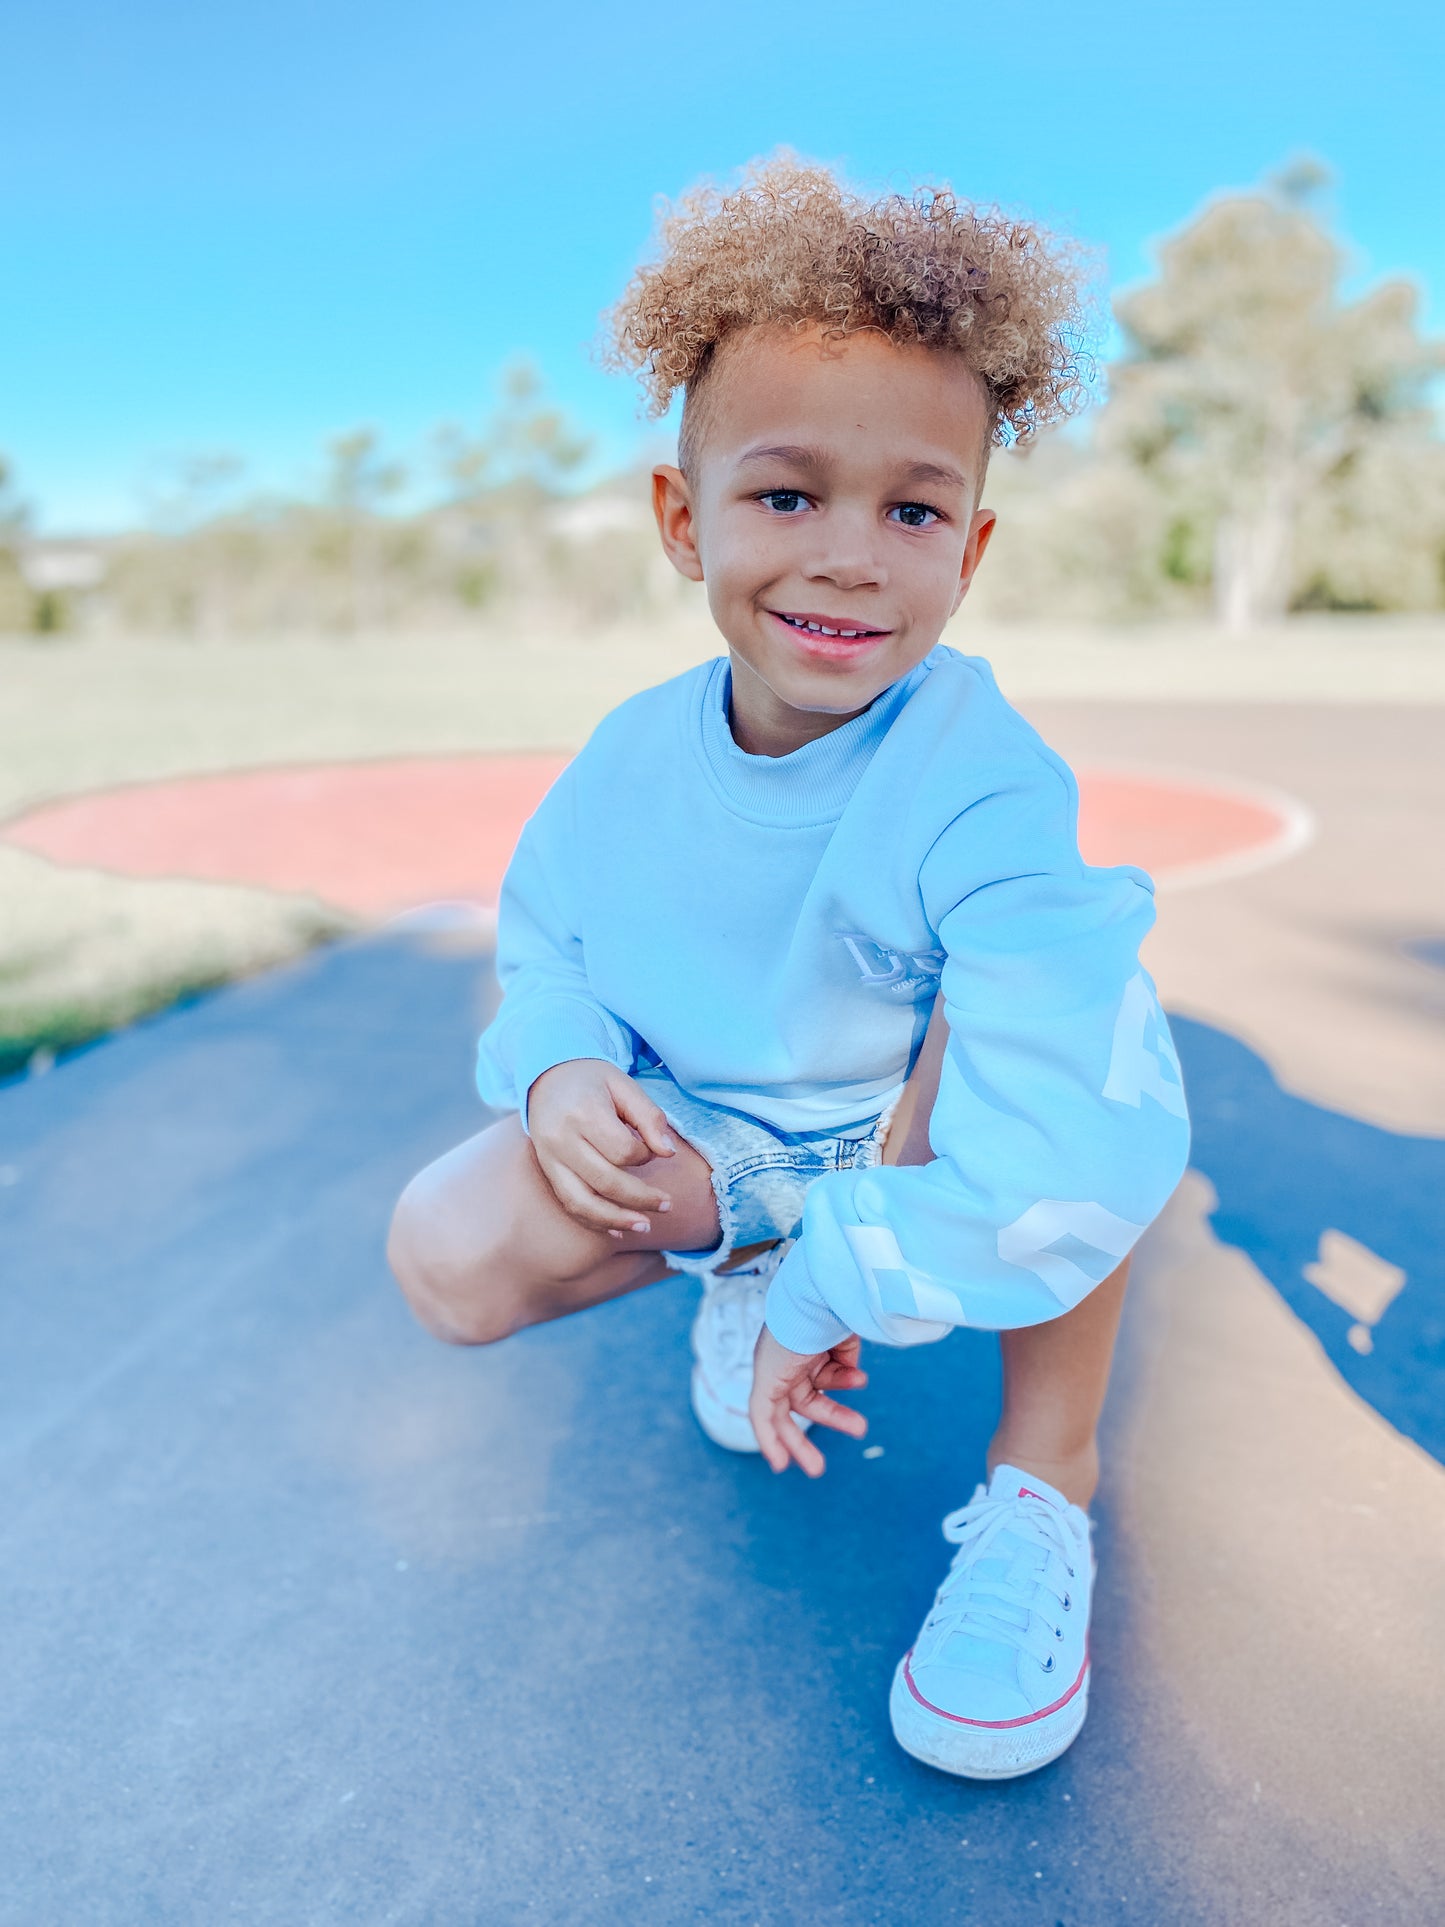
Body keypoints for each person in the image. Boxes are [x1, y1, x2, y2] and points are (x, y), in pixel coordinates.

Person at [387, 157, 1191, 1780]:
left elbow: (1079, 1151)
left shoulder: (977, 771)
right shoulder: (627, 758)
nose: (847, 555)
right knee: (447, 1249)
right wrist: (555, 1071)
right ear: (684, 521)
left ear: (968, 548)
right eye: (784, 495)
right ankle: (743, 1259)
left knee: (1078, 1045)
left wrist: (849, 1272)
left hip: (917, 1133)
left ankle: (1045, 1493)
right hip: (747, 1144)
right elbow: (545, 942)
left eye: (909, 509)